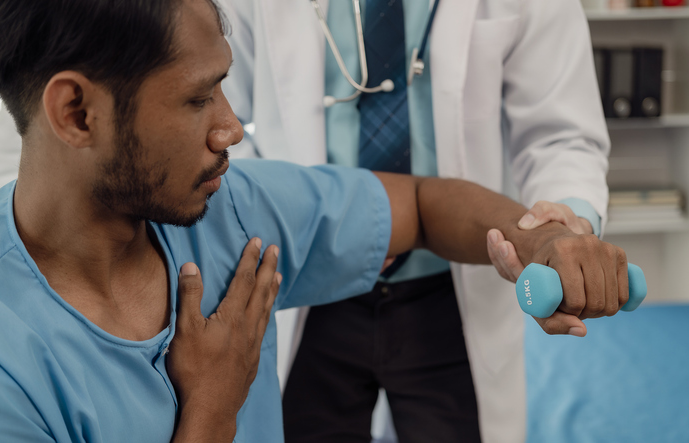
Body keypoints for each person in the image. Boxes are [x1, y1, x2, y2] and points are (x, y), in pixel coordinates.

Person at [0, 0, 627, 442]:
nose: (230, 126)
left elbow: (425, 201)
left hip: (436, 289)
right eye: (203, 98)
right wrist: (211, 411)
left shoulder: (235, 215)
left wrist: (544, 235)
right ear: (77, 114)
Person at [216, 1, 611, 441]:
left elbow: (560, 135)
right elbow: (216, 118)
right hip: (305, 277)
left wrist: (561, 225)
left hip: (450, 291)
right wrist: (301, 220)